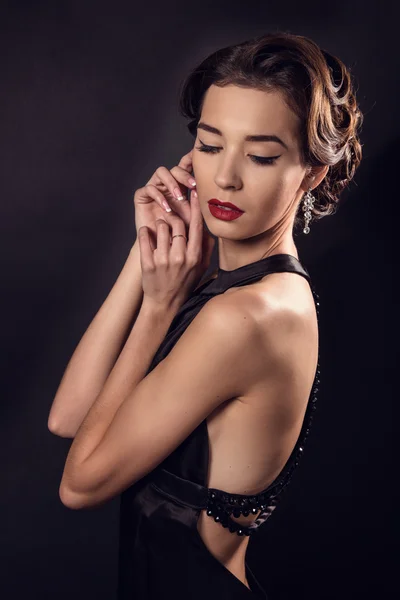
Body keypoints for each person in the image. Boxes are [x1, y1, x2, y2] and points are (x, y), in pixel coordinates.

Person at [48, 31, 363, 599]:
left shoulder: (248, 317)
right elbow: (71, 418)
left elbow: (81, 483)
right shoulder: (246, 292)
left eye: (262, 156)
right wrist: (143, 253)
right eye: (211, 145)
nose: (227, 177)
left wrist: (158, 308)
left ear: (313, 173)